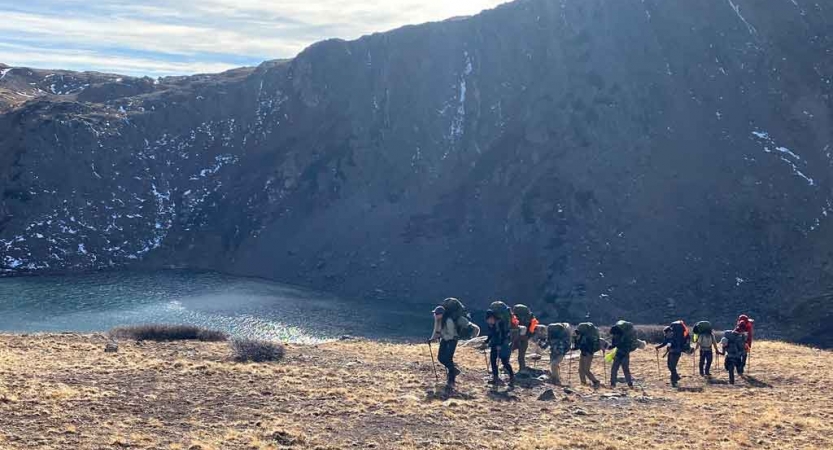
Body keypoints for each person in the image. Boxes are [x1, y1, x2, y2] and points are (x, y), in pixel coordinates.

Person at [430, 305, 460, 386]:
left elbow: (451, 335)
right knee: (440, 358)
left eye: (437, 314)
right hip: (445, 339)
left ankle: (451, 379)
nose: (435, 315)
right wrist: (432, 339)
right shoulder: (439, 320)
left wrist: (441, 336)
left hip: (452, 340)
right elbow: (436, 330)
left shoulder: (448, 321)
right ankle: (453, 370)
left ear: (442, 314)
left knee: (448, 358)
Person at [483, 309, 515, 385]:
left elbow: (504, 335)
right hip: (494, 344)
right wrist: (486, 341)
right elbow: (491, 334)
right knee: (493, 361)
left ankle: (512, 377)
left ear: (492, 317)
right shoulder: (491, 325)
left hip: (503, 345)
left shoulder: (500, 323)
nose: (489, 321)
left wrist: (500, 345)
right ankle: (495, 378)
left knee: (505, 362)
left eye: (489, 319)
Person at [511, 304, 539, 373]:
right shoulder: (530, 318)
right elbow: (533, 331)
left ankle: (505, 366)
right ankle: (522, 369)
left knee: (508, 351)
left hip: (515, 339)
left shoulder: (514, 318)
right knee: (521, 356)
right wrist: (528, 337)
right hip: (524, 339)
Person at [574, 323, 603, 388]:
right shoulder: (582, 336)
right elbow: (578, 346)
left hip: (588, 354)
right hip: (584, 353)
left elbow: (586, 346)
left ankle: (595, 381)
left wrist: (578, 341)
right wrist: (577, 339)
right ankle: (583, 383)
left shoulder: (587, 337)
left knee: (586, 370)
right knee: (581, 369)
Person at [609, 322, 635, 388]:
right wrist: (608, 347)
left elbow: (625, 346)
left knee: (625, 370)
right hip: (619, 355)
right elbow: (613, 345)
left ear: (617, 333)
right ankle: (613, 384)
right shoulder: (615, 337)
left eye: (614, 334)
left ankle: (630, 384)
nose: (613, 335)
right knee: (614, 370)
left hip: (624, 355)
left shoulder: (625, 337)